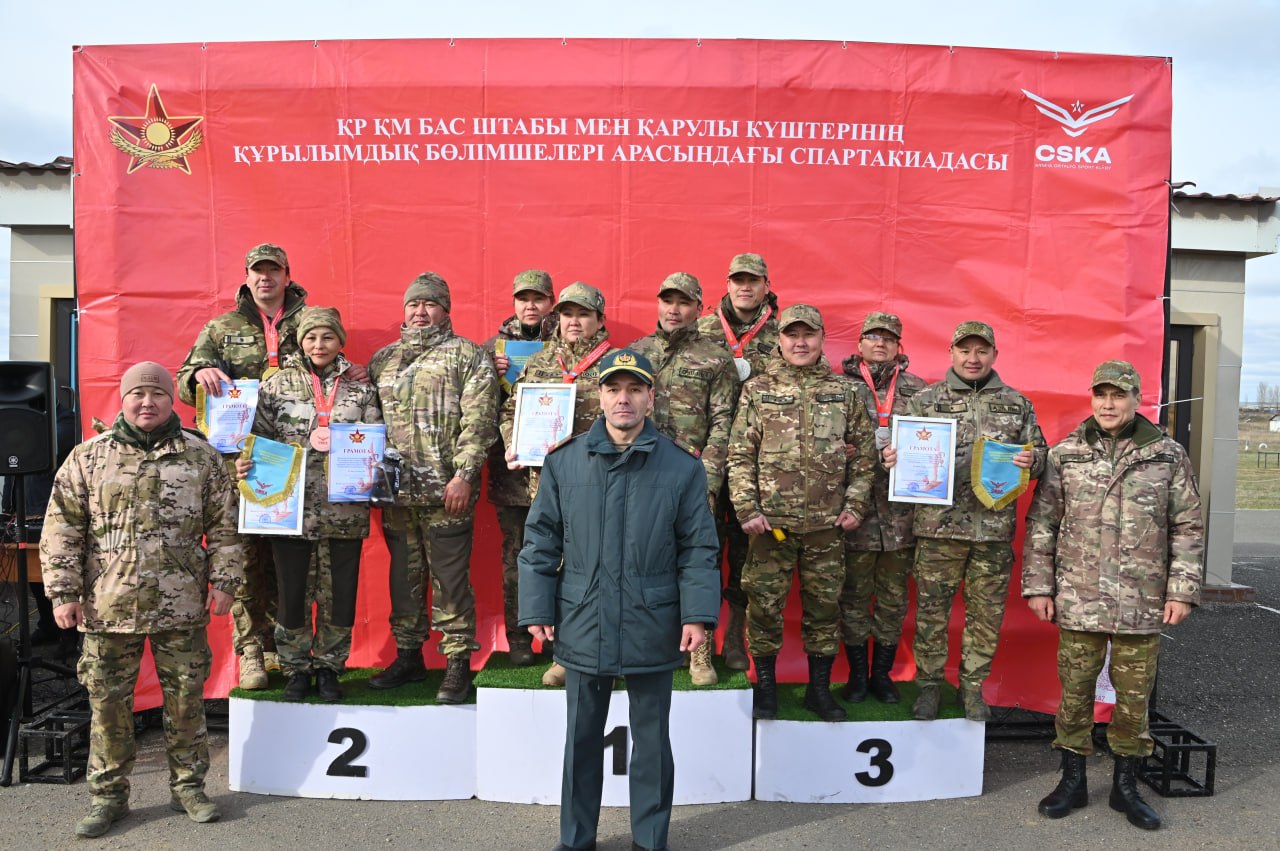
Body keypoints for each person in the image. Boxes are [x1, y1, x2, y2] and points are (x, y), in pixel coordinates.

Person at [518, 349, 720, 851]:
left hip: (654, 618)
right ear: (600, 396)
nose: (623, 399)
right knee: (581, 739)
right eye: (613, 389)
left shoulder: (682, 468)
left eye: (634, 389)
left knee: (651, 742)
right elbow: (540, 541)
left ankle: (650, 840)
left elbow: (699, 548)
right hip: (583, 616)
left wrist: (697, 615)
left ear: (651, 397)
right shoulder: (564, 462)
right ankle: (575, 840)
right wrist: (538, 608)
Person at [40, 362, 243, 838]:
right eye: (137, 394)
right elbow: (62, 527)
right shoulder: (89, 457)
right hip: (107, 604)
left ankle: (189, 788)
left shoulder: (201, 457)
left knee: (186, 700)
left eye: (157, 394)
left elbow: (226, 525)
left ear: (172, 400)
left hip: (181, 602)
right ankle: (108, 797)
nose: (147, 402)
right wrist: (63, 592)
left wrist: (226, 581)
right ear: (123, 399)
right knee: (108, 704)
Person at [1023, 360, 1202, 831]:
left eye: (1118, 395)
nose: (1107, 404)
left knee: (1134, 698)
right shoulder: (1066, 454)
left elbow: (1187, 526)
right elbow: (1042, 522)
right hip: (1079, 596)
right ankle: (1072, 781)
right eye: (1100, 394)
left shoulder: (1166, 455)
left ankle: (1126, 787)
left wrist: (1182, 591)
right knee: (1075, 692)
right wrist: (1039, 586)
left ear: (1136, 399)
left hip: (1141, 599)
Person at [885, 320, 1047, 722]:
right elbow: (899, 450)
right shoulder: (925, 401)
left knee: (986, 617)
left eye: (981, 351)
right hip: (937, 530)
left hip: (992, 531)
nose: (972, 358)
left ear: (994, 354)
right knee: (931, 613)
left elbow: (1041, 455)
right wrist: (892, 458)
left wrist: (1033, 460)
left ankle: (973, 689)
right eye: (964, 350)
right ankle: (929, 687)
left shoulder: (1017, 403)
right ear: (951, 353)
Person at [727, 305, 876, 722]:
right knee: (764, 607)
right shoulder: (757, 389)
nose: (800, 342)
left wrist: (855, 504)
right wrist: (746, 507)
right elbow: (739, 454)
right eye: (792, 335)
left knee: (825, 610)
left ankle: (818, 691)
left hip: (827, 527)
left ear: (822, 338)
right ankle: (766, 689)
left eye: (808, 334)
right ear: (780, 339)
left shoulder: (844, 392)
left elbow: (866, 457)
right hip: (769, 527)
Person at [176, 244, 314, 689]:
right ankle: (251, 651)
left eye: (273, 270)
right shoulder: (222, 328)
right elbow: (184, 384)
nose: (265, 278)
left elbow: (330, 364)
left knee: (289, 563)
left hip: (295, 460)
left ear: (287, 275)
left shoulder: (309, 323)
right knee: (244, 558)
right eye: (258, 271)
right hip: (241, 463)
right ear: (247, 276)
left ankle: (284, 649)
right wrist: (197, 376)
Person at [236, 307, 382, 702]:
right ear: (301, 341)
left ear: (340, 341)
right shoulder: (276, 385)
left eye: (328, 337)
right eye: (311, 337)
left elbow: (373, 438)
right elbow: (258, 439)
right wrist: (246, 463)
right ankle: (296, 668)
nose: (319, 345)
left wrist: (373, 466)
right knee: (292, 594)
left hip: (344, 510)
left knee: (340, 596)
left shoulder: (361, 389)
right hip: (289, 510)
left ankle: (330, 667)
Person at [367, 273, 498, 703]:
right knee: (403, 579)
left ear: (445, 310)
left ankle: (457, 663)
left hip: (447, 493)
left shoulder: (467, 356)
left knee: (450, 580)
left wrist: (464, 475)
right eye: (413, 304)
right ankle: (408, 657)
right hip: (396, 495)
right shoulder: (383, 360)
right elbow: (367, 421)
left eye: (429, 304)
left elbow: (480, 422)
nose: (420, 312)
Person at [501, 281, 615, 687]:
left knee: (597, 570)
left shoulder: (615, 363)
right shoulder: (541, 361)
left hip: (600, 486)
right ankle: (562, 652)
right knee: (555, 566)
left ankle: (600, 654)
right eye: (567, 314)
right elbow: (512, 410)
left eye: (583, 314)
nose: (574, 322)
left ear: (599, 319)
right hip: (545, 485)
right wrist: (513, 442)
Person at [629, 271, 737, 686]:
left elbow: (723, 422)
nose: (673, 310)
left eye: (683, 302)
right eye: (667, 301)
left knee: (698, 562)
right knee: (641, 561)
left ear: (698, 308)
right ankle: (647, 646)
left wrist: (707, 481)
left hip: (693, 480)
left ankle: (700, 652)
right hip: (641, 477)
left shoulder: (715, 358)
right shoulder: (636, 353)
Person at [696, 252, 781, 671]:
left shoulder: (784, 334)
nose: (744, 287)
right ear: (727, 284)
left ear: (766, 285)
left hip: (760, 465)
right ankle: (700, 642)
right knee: (703, 553)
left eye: (753, 280)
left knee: (749, 559)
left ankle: (735, 639)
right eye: (737, 280)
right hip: (707, 462)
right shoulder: (702, 330)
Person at [837, 312, 928, 703]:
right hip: (855, 511)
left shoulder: (920, 391)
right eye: (873, 336)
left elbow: (936, 444)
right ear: (859, 343)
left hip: (901, 515)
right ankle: (858, 676)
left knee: (893, 599)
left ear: (898, 346)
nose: (880, 343)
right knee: (854, 597)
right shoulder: (838, 388)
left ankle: (882, 675)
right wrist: (838, 450)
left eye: (888, 338)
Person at [483, 269, 557, 666]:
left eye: (538, 298)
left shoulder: (572, 345)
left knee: (564, 557)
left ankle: (561, 639)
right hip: (512, 473)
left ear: (551, 302)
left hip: (559, 474)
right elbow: (478, 408)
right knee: (517, 558)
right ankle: (519, 638)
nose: (530, 306)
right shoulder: (492, 350)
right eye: (523, 298)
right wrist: (490, 376)